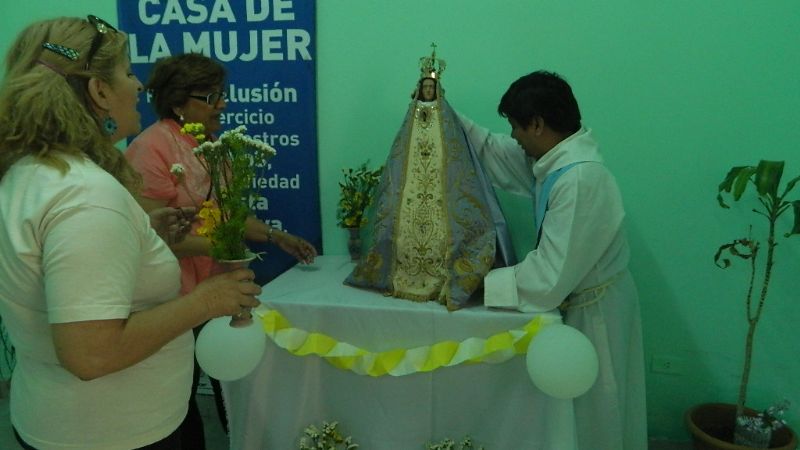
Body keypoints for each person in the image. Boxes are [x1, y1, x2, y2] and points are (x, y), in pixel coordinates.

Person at [0, 16, 261, 450]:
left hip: (61, 419)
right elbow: (91, 354)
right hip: (113, 432)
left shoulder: (34, 171)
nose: (139, 86)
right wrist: (205, 301)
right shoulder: (86, 197)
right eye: (127, 72)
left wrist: (142, 236)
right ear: (100, 92)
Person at [124, 52, 317, 447]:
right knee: (180, 398)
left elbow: (230, 216)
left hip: (218, 291)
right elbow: (153, 236)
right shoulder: (150, 149)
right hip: (174, 297)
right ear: (178, 103)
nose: (223, 105)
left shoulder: (210, 146)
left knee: (233, 387)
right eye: (211, 97)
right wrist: (223, 247)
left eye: (222, 95)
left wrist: (275, 236)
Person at [458, 71, 647, 449]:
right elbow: (493, 151)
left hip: (596, 316)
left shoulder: (581, 180)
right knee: (576, 417)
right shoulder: (556, 161)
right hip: (581, 304)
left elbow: (548, 277)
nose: (513, 135)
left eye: (516, 126)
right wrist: (440, 109)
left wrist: (477, 283)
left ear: (537, 124)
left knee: (597, 414)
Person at [346, 46, 515, 310]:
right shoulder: (411, 117)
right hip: (413, 187)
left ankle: (442, 279)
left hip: (438, 186)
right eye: (424, 87)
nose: (427, 91)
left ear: (437, 90)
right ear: (419, 89)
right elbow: (401, 156)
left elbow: (456, 157)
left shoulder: (446, 118)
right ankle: (400, 276)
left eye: (431, 88)